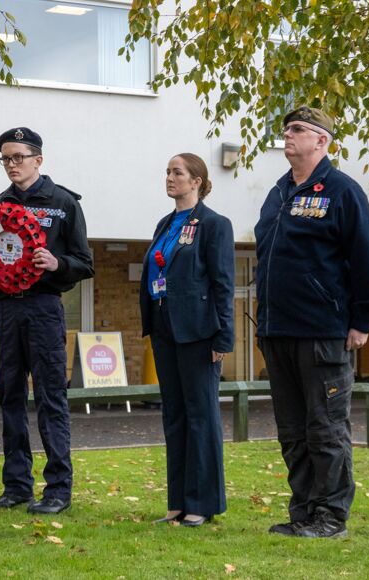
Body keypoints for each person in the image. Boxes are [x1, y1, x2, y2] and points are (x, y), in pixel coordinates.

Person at [256, 106, 369, 538]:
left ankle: (330, 517)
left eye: (297, 130)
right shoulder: (277, 193)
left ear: (322, 141)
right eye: (286, 128)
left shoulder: (342, 191)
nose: (287, 136)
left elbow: (367, 260)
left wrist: (362, 319)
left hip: (323, 332)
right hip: (277, 331)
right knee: (292, 432)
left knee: (326, 429)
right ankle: (304, 512)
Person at [0, 127, 93, 514]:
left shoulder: (63, 204)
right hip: (5, 310)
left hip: (43, 308)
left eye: (18, 157)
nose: (11, 165)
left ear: (38, 159)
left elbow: (85, 264)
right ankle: (16, 486)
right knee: (10, 397)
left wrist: (58, 263)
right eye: (5, 158)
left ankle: (57, 489)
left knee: (51, 398)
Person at [139, 153, 234, 527]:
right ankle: (177, 502)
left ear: (197, 180)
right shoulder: (165, 223)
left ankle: (202, 502)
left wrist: (223, 336)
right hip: (164, 328)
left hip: (199, 332)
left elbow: (222, 284)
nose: (169, 178)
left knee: (201, 417)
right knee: (174, 416)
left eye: (177, 172)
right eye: (166, 172)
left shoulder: (214, 224)